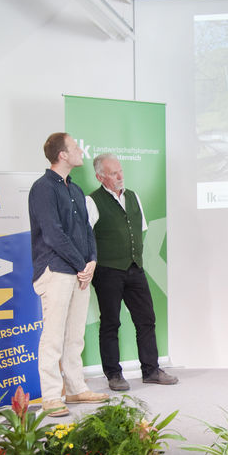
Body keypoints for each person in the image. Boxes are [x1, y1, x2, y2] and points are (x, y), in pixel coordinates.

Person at [28, 133, 108, 417]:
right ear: (62, 155)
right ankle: (51, 395)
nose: (80, 152)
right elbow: (52, 234)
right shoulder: (42, 188)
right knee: (53, 336)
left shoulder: (75, 190)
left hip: (79, 271)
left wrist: (92, 261)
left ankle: (75, 387)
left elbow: (87, 230)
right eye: (75, 148)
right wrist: (80, 264)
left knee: (75, 335)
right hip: (56, 270)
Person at [85, 154, 178, 391]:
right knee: (110, 323)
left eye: (120, 171)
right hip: (107, 271)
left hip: (135, 268)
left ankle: (151, 370)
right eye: (113, 173)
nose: (120, 176)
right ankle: (114, 374)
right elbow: (85, 237)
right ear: (100, 177)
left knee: (146, 319)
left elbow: (139, 228)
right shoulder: (92, 201)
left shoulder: (133, 196)